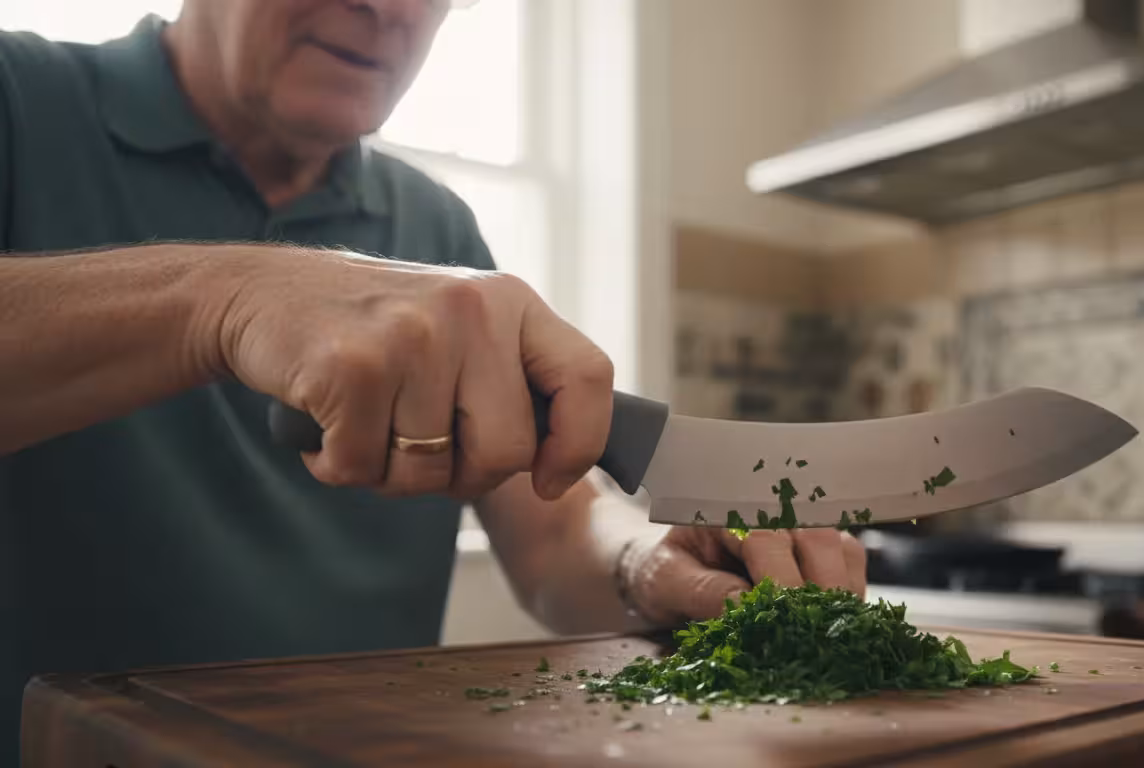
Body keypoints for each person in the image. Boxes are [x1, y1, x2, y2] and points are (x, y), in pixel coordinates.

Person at [0, 0, 866, 760]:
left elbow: (555, 535)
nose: (386, 7)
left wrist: (644, 559)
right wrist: (225, 296)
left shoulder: (438, 225)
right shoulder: (21, 97)